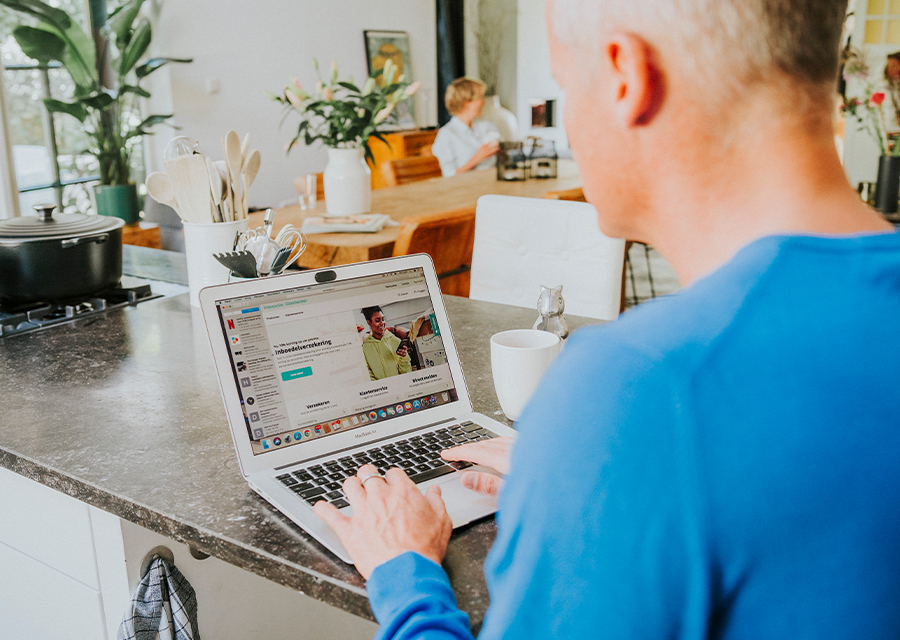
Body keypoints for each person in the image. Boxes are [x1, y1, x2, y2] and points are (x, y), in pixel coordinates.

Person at [316, 0, 900, 638]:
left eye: (567, 84)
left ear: (626, 77)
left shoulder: (640, 386)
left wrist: (402, 571)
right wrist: (585, 475)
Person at [431, 78, 501, 177]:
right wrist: (478, 158)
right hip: (467, 185)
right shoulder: (446, 134)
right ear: (466, 102)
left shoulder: (487, 127)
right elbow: (449, 176)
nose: (484, 102)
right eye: (480, 98)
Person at [360, 306, 411, 381]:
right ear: (369, 322)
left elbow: (407, 371)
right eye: (377, 320)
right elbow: (368, 374)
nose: (382, 323)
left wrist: (404, 357)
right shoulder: (365, 349)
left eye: (383, 319)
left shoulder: (395, 341)